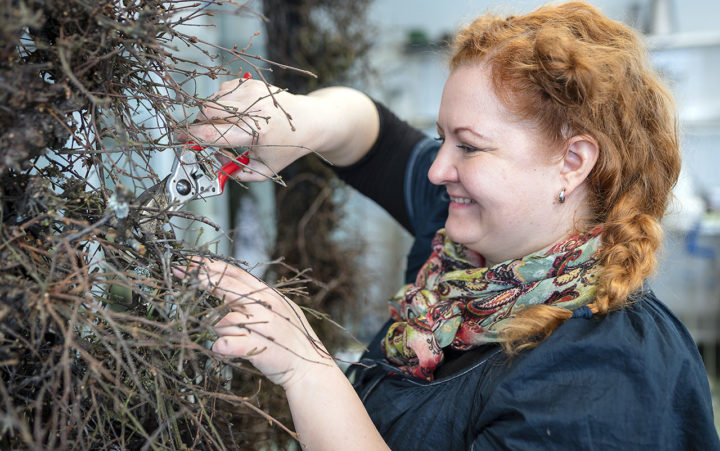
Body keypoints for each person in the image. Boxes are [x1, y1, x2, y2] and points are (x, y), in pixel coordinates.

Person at [175, 2, 720, 449]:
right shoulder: (467, 246)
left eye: (470, 146)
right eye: (442, 139)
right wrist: (299, 120)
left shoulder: (605, 376)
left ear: (573, 162)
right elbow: (373, 137)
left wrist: (307, 370)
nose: (439, 170)